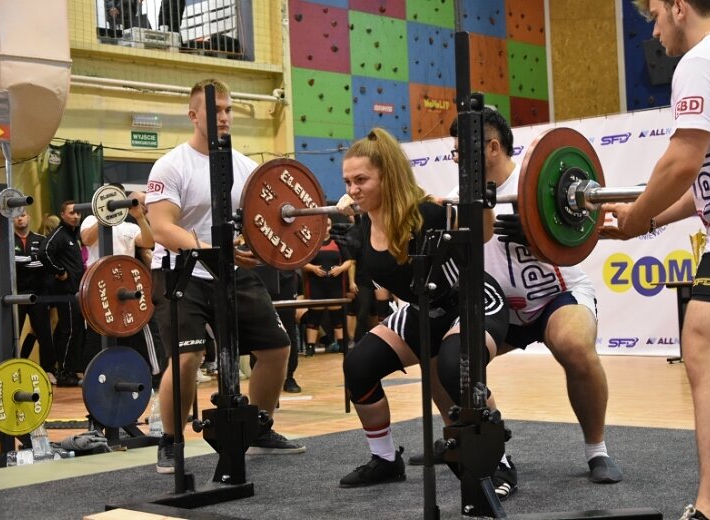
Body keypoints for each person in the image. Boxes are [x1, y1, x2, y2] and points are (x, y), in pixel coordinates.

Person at [603, 2, 710, 518]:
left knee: (702, 351)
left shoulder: (700, 60)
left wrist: (635, 220)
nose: (653, 30)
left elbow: (681, 162)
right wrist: (646, 217)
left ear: (680, 7)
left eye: (655, 13)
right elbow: (705, 183)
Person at [333, 128, 515, 500]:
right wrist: (362, 200)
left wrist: (477, 198)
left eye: (362, 180)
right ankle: (385, 460)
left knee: (453, 367)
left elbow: (481, 233)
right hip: (422, 309)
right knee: (358, 365)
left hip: (471, 300)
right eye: (348, 182)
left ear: (389, 176)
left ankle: (500, 461)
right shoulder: (366, 220)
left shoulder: (429, 211)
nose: (353, 189)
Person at [447, 108, 623, 484]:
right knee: (447, 362)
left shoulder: (542, 185)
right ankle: (489, 453)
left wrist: (540, 235)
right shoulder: (456, 200)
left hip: (555, 297)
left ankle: (597, 450)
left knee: (574, 346)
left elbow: (582, 235)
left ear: (492, 147)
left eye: (462, 150)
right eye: (455, 152)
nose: (457, 159)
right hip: (500, 312)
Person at [145, 78, 305, 475]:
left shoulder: (245, 167)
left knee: (276, 348)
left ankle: (258, 426)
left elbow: (265, 221)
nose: (224, 117)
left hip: (231, 269)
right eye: (215, 110)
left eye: (229, 110)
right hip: (180, 271)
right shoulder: (171, 164)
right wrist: (209, 249)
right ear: (193, 115)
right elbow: (162, 227)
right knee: (187, 358)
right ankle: (171, 440)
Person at [79, 186, 163, 388]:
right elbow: (87, 239)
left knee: (139, 328)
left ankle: (156, 375)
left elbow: (149, 242)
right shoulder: (90, 220)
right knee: (97, 333)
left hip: (125, 285)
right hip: (97, 285)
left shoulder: (130, 227)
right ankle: (98, 379)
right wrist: (103, 213)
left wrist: (140, 217)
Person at [38, 201, 85, 387]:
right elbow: (44, 253)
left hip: (75, 292)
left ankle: (69, 369)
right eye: (71, 213)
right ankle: (65, 373)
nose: (75, 216)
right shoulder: (59, 234)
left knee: (72, 331)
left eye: (77, 214)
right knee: (70, 331)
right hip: (65, 293)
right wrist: (60, 272)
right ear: (62, 215)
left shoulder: (73, 235)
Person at [13, 211, 57, 383]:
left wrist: (23, 261)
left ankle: (48, 370)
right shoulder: (7, 241)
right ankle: (11, 367)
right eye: (17, 215)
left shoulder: (40, 239)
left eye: (23, 214)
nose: (20, 217)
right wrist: (31, 260)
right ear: (11, 219)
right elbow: (9, 261)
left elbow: (44, 261)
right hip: (15, 295)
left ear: (29, 217)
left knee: (44, 333)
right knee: (12, 333)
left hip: (38, 294)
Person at [301, 218, 353, 356]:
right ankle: (310, 347)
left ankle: (342, 345)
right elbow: (302, 262)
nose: (325, 228)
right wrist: (313, 268)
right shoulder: (311, 243)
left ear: (330, 226)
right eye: (323, 225)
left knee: (337, 316)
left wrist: (340, 269)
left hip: (335, 284)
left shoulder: (338, 242)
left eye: (328, 225)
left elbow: (349, 261)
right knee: (314, 316)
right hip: (316, 285)